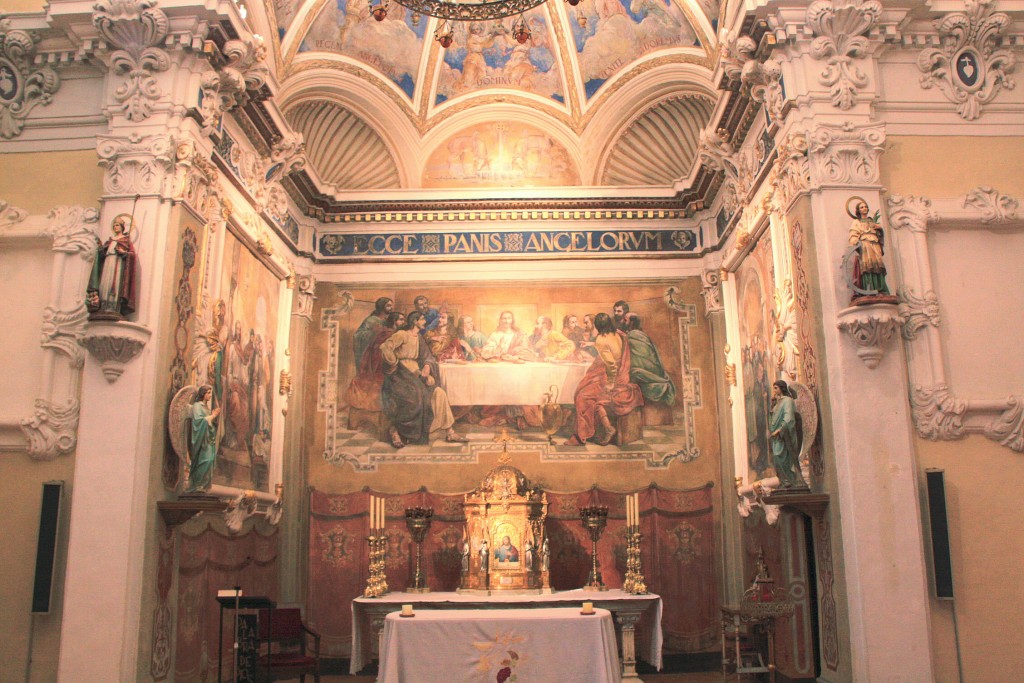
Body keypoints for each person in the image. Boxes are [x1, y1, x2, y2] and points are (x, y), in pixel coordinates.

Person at [379, 311, 467, 447]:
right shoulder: (402, 334)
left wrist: (427, 366)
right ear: (415, 321)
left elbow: (428, 356)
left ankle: (450, 432)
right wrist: (394, 362)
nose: (425, 322)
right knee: (417, 396)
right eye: (422, 319)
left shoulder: (419, 337)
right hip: (400, 375)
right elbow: (385, 347)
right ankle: (397, 431)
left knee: (439, 393)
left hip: (416, 374)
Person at [565, 312, 643, 446]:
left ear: (597, 326)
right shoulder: (616, 334)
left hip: (611, 378)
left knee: (582, 396)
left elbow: (611, 364)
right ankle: (608, 428)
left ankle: (581, 435)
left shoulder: (601, 339)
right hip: (621, 375)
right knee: (587, 393)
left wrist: (610, 383)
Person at [346, 311, 404, 412]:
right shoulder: (388, 334)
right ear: (394, 321)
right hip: (380, 364)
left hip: (382, 363)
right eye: (401, 320)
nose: (403, 322)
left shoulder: (390, 332)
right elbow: (379, 351)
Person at [87, 214, 138, 319]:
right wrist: (101, 249)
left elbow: (132, 254)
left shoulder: (126, 241)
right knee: (104, 283)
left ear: (122, 227)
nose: (115, 227)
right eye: (114, 225)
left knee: (114, 285)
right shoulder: (109, 241)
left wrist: (124, 253)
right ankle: (102, 306)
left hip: (118, 264)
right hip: (107, 264)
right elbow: (102, 256)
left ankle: (113, 307)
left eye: (117, 225)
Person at [624, 313, 676, 406]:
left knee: (632, 373)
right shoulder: (642, 334)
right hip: (650, 368)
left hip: (646, 369)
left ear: (631, 322)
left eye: (625, 320)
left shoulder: (633, 335)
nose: (623, 322)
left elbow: (645, 355)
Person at [847, 199, 892, 300]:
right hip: (865, 245)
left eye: (866, 207)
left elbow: (879, 233)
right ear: (858, 210)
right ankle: (870, 288)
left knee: (878, 265)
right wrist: (855, 241)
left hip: (875, 244)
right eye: (862, 207)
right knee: (868, 265)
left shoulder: (871, 221)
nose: (864, 208)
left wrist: (879, 229)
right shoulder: (856, 222)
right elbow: (853, 233)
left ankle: (880, 289)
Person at [770, 380, 807, 488]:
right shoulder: (778, 402)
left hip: (785, 435)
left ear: (782, 388)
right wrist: (772, 407)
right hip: (777, 438)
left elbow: (789, 418)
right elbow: (773, 420)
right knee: (776, 459)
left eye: (776, 388)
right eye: (774, 388)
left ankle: (791, 481)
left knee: (780, 456)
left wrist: (780, 430)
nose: (774, 390)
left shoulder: (788, 401)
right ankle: (784, 481)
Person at [186, 385, 220, 492]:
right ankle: (196, 485)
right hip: (201, 441)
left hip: (208, 440)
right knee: (206, 460)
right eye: (208, 393)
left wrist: (214, 419)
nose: (210, 395)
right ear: (203, 393)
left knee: (209, 462)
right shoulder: (197, 406)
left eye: (210, 393)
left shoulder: (206, 408)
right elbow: (198, 422)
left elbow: (209, 424)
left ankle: (203, 486)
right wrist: (213, 416)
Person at [353, 297, 393, 366]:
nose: (391, 308)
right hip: (372, 354)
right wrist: (373, 332)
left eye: (391, 305)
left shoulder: (388, 320)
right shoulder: (371, 320)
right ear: (381, 306)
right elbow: (357, 335)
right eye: (388, 306)